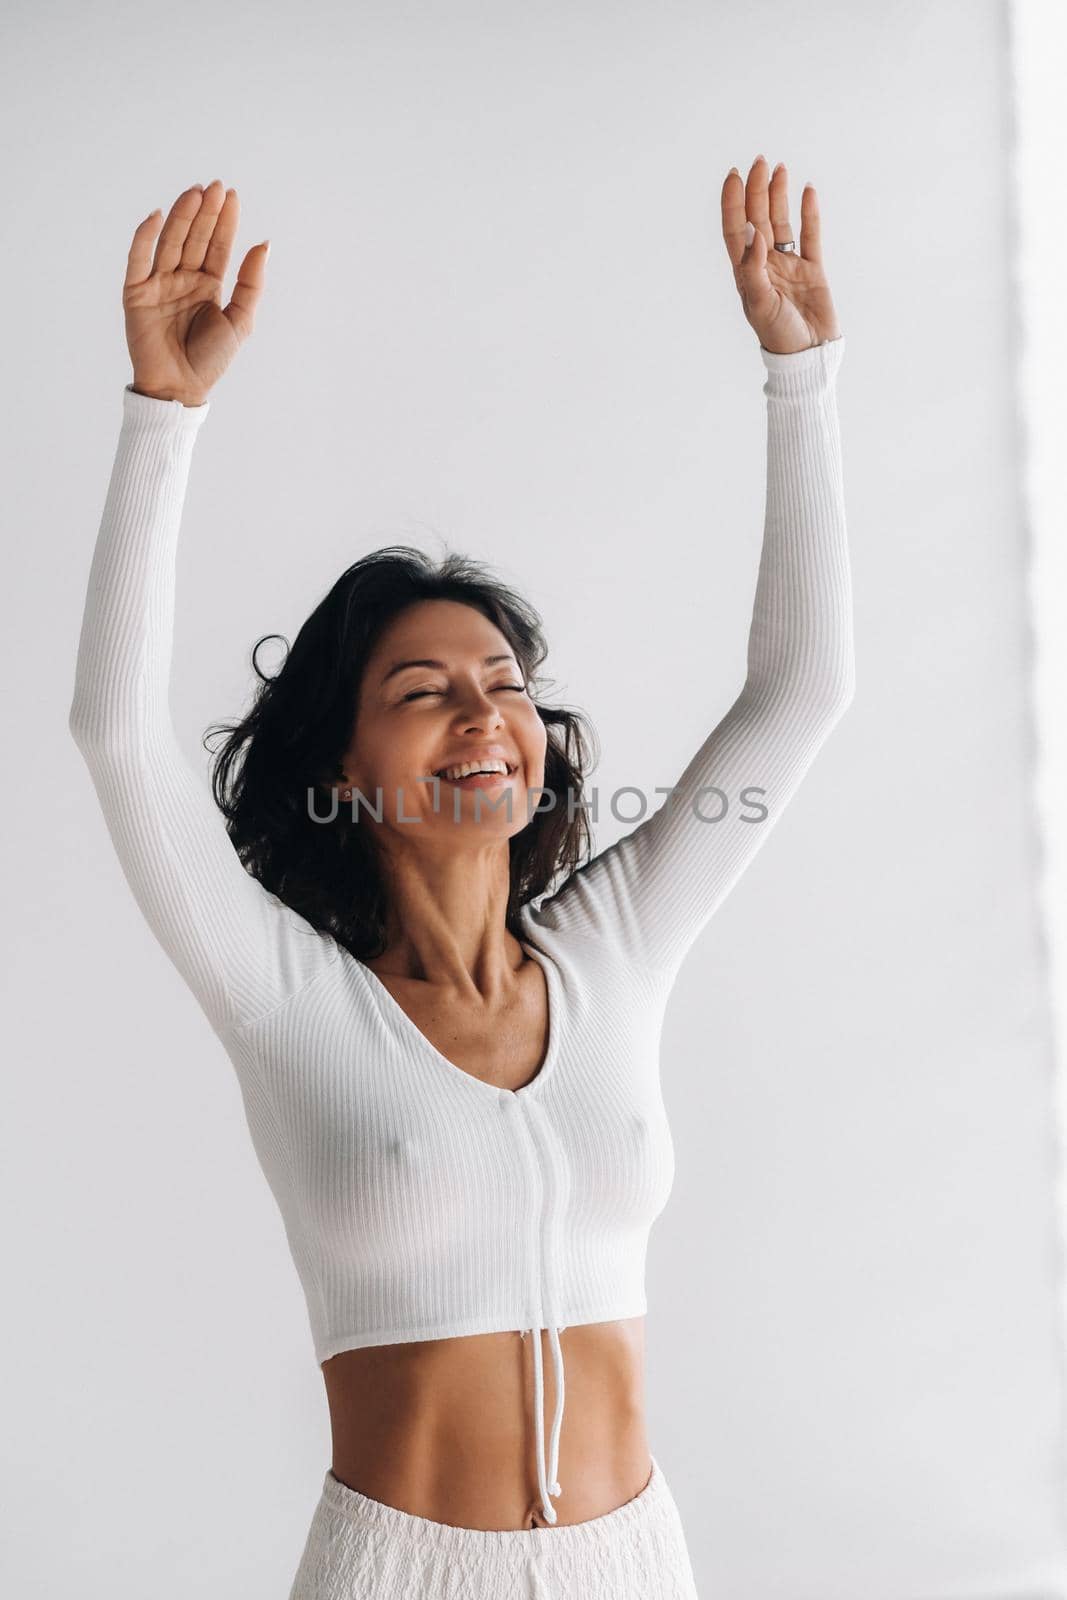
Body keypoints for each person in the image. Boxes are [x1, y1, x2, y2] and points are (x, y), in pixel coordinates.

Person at [68, 156, 852, 1600]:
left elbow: (800, 691)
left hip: (639, 1560)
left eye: (503, 681)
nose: (485, 712)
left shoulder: (615, 948)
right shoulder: (289, 998)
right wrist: (160, 415)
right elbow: (115, 735)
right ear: (348, 765)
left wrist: (801, 376)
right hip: (401, 1573)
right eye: (423, 689)